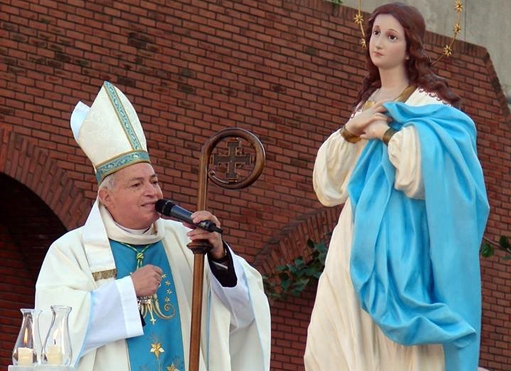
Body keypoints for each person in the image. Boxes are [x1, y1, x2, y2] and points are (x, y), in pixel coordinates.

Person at [35, 81, 271, 371]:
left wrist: (219, 257)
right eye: (137, 184)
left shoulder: (189, 243)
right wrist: (127, 291)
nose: (153, 192)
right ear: (107, 197)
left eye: (154, 181)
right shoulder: (71, 252)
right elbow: (52, 332)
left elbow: (244, 312)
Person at [304, 3, 489, 371]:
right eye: (375, 33)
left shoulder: (428, 104)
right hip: (354, 233)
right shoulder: (365, 104)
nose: (379, 42)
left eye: (392, 36)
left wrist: (387, 134)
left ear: (410, 47)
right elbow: (330, 183)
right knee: (326, 343)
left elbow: (441, 173)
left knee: (391, 353)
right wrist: (351, 131)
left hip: (399, 243)